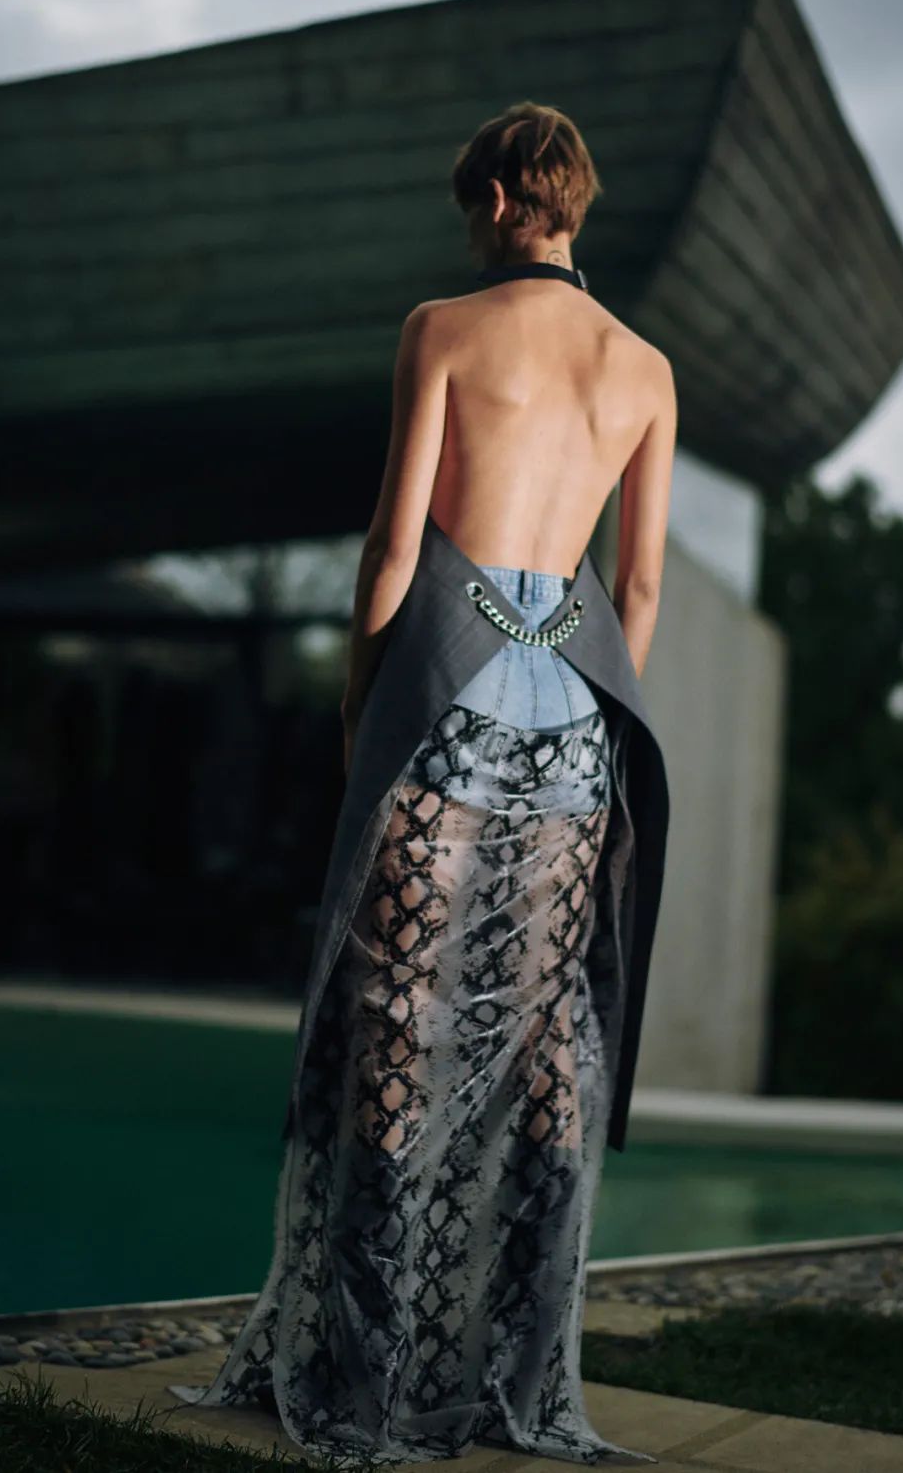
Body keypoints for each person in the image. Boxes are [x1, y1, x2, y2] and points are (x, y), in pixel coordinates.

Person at [168, 101, 675, 1466]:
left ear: (503, 199)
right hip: (579, 725)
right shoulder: (645, 369)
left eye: (470, 208)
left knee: (398, 1030)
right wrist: (581, 699)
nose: (468, 230)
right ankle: (519, 1379)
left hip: (446, 709)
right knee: (546, 1042)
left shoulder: (442, 329)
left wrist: (358, 709)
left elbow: (395, 549)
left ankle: (372, 1385)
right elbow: (635, 586)